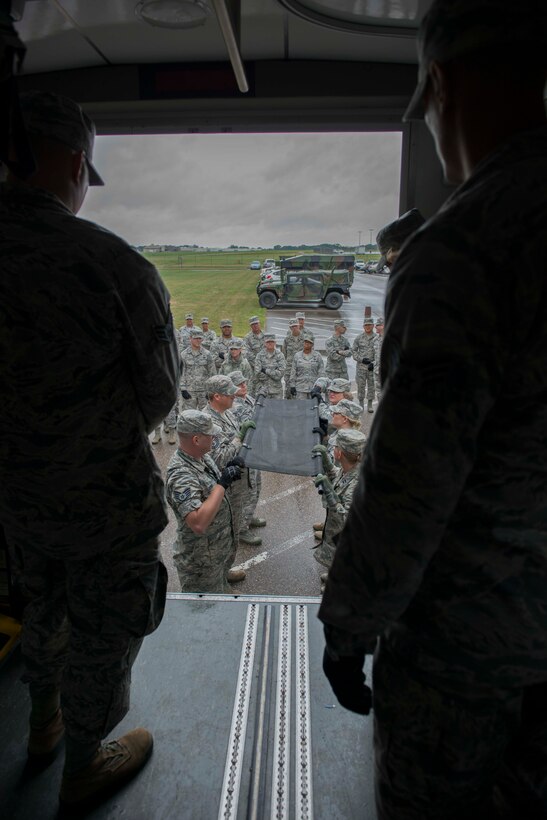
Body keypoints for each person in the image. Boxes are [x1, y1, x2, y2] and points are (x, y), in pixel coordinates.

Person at [319, 2, 547, 818]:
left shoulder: (465, 244)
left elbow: (409, 487)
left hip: (468, 645)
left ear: (440, 85)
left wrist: (347, 627)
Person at [0, 91, 180, 807]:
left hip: (14, 495)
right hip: (103, 497)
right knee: (106, 623)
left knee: (41, 604)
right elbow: (158, 394)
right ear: (74, 161)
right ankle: (83, 762)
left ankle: (40, 725)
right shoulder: (113, 264)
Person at [165, 410, 243, 593]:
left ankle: (222, 582)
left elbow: (209, 487)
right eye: (210, 435)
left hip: (216, 545)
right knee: (207, 606)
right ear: (196, 440)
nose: (214, 437)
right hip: (201, 557)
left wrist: (228, 470)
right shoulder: (180, 474)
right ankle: (216, 589)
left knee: (219, 575)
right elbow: (198, 523)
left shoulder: (201, 456)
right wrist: (222, 484)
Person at [202, 376, 257, 551]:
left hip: (236, 483)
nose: (234, 395)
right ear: (217, 396)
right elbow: (219, 459)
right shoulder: (208, 422)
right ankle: (222, 572)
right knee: (223, 531)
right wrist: (239, 437)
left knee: (234, 526)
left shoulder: (227, 413)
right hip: (224, 488)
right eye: (230, 393)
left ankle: (226, 566)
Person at [311, 429, 366, 587]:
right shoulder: (350, 469)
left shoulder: (357, 482)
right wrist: (328, 464)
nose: (333, 449)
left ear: (340, 454)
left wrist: (329, 492)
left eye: (335, 447)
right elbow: (338, 475)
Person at [231, 370, 267, 536]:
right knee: (246, 491)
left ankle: (249, 515)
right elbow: (249, 422)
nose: (244, 385)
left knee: (256, 487)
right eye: (239, 384)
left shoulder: (250, 398)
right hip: (244, 454)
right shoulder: (235, 405)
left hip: (255, 451)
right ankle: (241, 528)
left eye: (244, 382)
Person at [179, 327, 215, 411]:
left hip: (204, 391)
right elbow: (181, 373)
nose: (198, 340)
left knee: (206, 414)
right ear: (190, 338)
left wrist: (211, 390)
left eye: (200, 338)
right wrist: (183, 389)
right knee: (189, 416)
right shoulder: (184, 355)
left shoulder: (207, 354)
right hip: (190, 391)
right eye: (195, 338)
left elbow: (212, 373)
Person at [289, 331, 325, 399]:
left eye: (309, 343)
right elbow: (293, 372)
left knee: (313, 408)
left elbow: (321, 372)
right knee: (301, 408)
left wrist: (319, 386)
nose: (307, 344)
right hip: (300, 388)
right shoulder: (297, 355)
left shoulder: (317, 356)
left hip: (313, 388)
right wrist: (292, 385)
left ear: (312, 344)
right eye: (305, 342)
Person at [352, 317, 376, 412]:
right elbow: (353, 351)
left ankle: (370, 404)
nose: (367, 327)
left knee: (371, 386)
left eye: (369, 325)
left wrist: (374, 363)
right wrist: (361, 359)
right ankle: (361, 403)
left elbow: (380, 353)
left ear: (373, 326)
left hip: (372, 367)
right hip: (361, 367)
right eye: (366, 325)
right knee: (360, 385)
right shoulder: (359, 338)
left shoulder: (377, 338)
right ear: (363, 326)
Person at [253, 334, 285, 398]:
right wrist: (274, 372)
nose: (270, 343)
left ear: (275, 343)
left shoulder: (280, 355)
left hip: (276, 391)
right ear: (265, 343)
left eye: (272, 342)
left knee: (277, 408)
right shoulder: (259, 355)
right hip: (263, 390)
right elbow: (257, 373)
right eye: (268, 342)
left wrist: (265, 370)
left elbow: (280, 374)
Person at [282, 318, 304, 399]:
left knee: (300, 392)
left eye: (295, 326)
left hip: (301, 369)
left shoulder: (305, 339)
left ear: (299, 326)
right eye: (292, 327)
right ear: (290, 328)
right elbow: (284, 354)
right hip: (289, 369)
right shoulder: (287, 339)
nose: (294, 328)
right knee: (288, 392)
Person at [243, 315, 264, 394]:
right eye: (253, 324)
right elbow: (247, 353)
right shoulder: (247, 338)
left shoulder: (266, 336)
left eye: (256, 323)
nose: (255, 326)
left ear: (259, 324)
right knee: (252, 392)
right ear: (250, 326)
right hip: (253, 370)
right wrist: (258, 365)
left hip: (266, 369)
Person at [373, 317, 384, 400]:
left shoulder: (390, 339)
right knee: (379, 392)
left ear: (383, 326)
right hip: (377, 371)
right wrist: (372, 364)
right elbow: (376, 356)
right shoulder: (375, 340)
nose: (375, 327)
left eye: (377, 325)